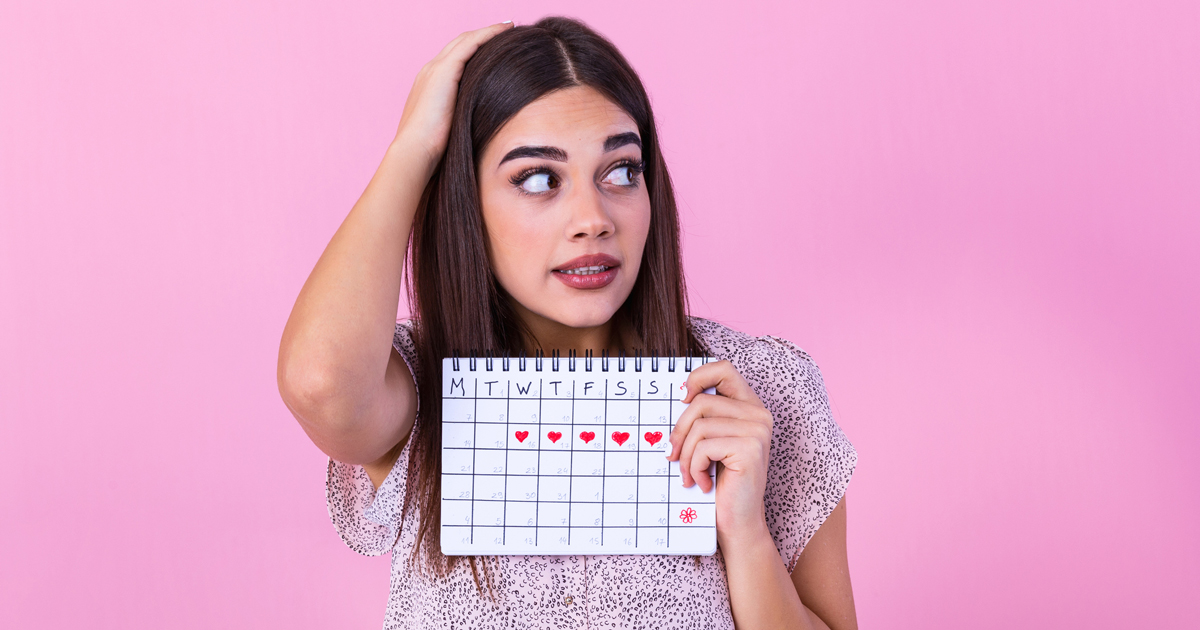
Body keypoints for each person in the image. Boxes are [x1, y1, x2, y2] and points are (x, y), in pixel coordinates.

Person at [278, 16, 858, 630]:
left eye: (620, 172)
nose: (592, 218)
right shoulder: (419, 386)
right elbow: (320, 381)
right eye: (536, 179)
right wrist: (414, 148)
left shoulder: (763, 388)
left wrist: (746, 534)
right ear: (466, 203)